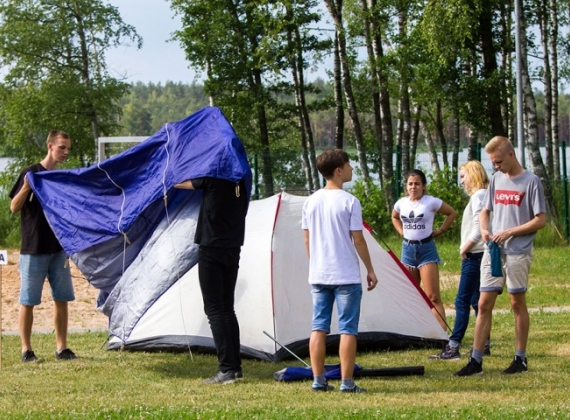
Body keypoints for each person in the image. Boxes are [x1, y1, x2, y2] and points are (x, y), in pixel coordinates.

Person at [455, 136, 547, 376]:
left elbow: (541, 220)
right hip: (494, 251)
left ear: (510, 154)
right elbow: (486, 211)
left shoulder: (531, 181)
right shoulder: (496, 179)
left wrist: (510, 232)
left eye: (497, 161)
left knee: (517, 303)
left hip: (518, 251)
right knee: (484, 303)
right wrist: (485, 230)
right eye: (492, 162)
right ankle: (476, 360)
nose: (495, 166)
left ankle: (520, 359)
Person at [302, 149, 378, 394]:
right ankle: (347, 383)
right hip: (345, 274)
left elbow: (307, 239)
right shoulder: (349, 201)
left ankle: (318, 380)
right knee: (347, 328)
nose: (351, 168)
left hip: (319, 274)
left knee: (318, 327)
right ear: (338, 171)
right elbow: (358, 240)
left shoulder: (310, 200)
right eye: (348, 165)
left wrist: (316, 264)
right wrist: (370, 269)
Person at [9, 130, 77, 363]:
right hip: (33, 249)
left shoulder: (60, 177)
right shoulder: (30, 172)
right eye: (62, 147)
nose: (66, 152)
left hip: (59, 250)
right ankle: (26, 351)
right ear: (50, 146)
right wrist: (27, 187)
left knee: (62, 299)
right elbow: (14, 207)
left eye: (68, 148)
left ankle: (62, 349)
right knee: (28, 301)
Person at [174, 176, 249, 385]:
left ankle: (226, 369)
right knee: (227, 308)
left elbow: (178, 182)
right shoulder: (241, 184)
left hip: (211, 250)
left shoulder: (212, 180)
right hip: (233, 249)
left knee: (214, 310)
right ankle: (235, 368)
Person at [430, 160, 491, 359]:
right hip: (476, 253)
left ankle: (453, 346)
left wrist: (465, 248)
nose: (462, 182)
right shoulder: (480, 196)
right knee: (475, 301)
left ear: (474, 175)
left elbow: (479, 229)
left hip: (474, 255)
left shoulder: (479, 196)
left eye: (463, 177)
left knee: (461, 301)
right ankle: (485, 344)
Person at [392, 169, 457, 330]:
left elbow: (451, 213)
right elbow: (394, 216)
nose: (413, 187)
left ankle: (442, 333)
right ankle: (414, 330)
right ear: (406, 186)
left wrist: (441, 231)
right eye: (410, 184)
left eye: (417, 184)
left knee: (433, 296)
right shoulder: (401, 203)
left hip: (426, 249)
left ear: (424, 186)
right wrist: (401, 232)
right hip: (407, 251)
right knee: (411, 295)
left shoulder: (431, 202)